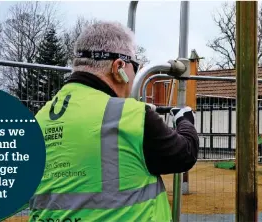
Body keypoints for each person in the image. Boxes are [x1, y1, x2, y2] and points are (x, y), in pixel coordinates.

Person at [29, 21, 199, 222]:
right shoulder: (130, 116)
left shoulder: (39, 119)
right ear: (118, 66)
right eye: (135, 67)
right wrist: (185, 120)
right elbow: (184, 154)